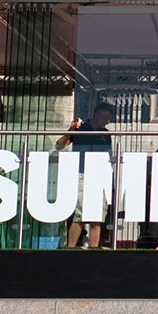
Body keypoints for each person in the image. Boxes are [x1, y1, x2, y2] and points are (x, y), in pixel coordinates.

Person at [54, 104, 115, 249]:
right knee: (79, 214)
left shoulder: (105, 134)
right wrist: (71, 131)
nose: (107, 122)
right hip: (81, 174)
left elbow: (109, 155)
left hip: (99, 175)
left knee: (97, 216)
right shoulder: (80, 129)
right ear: (97, 115)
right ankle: (70, 247)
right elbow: (59, 145)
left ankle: (93, 248)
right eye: (105, 118)